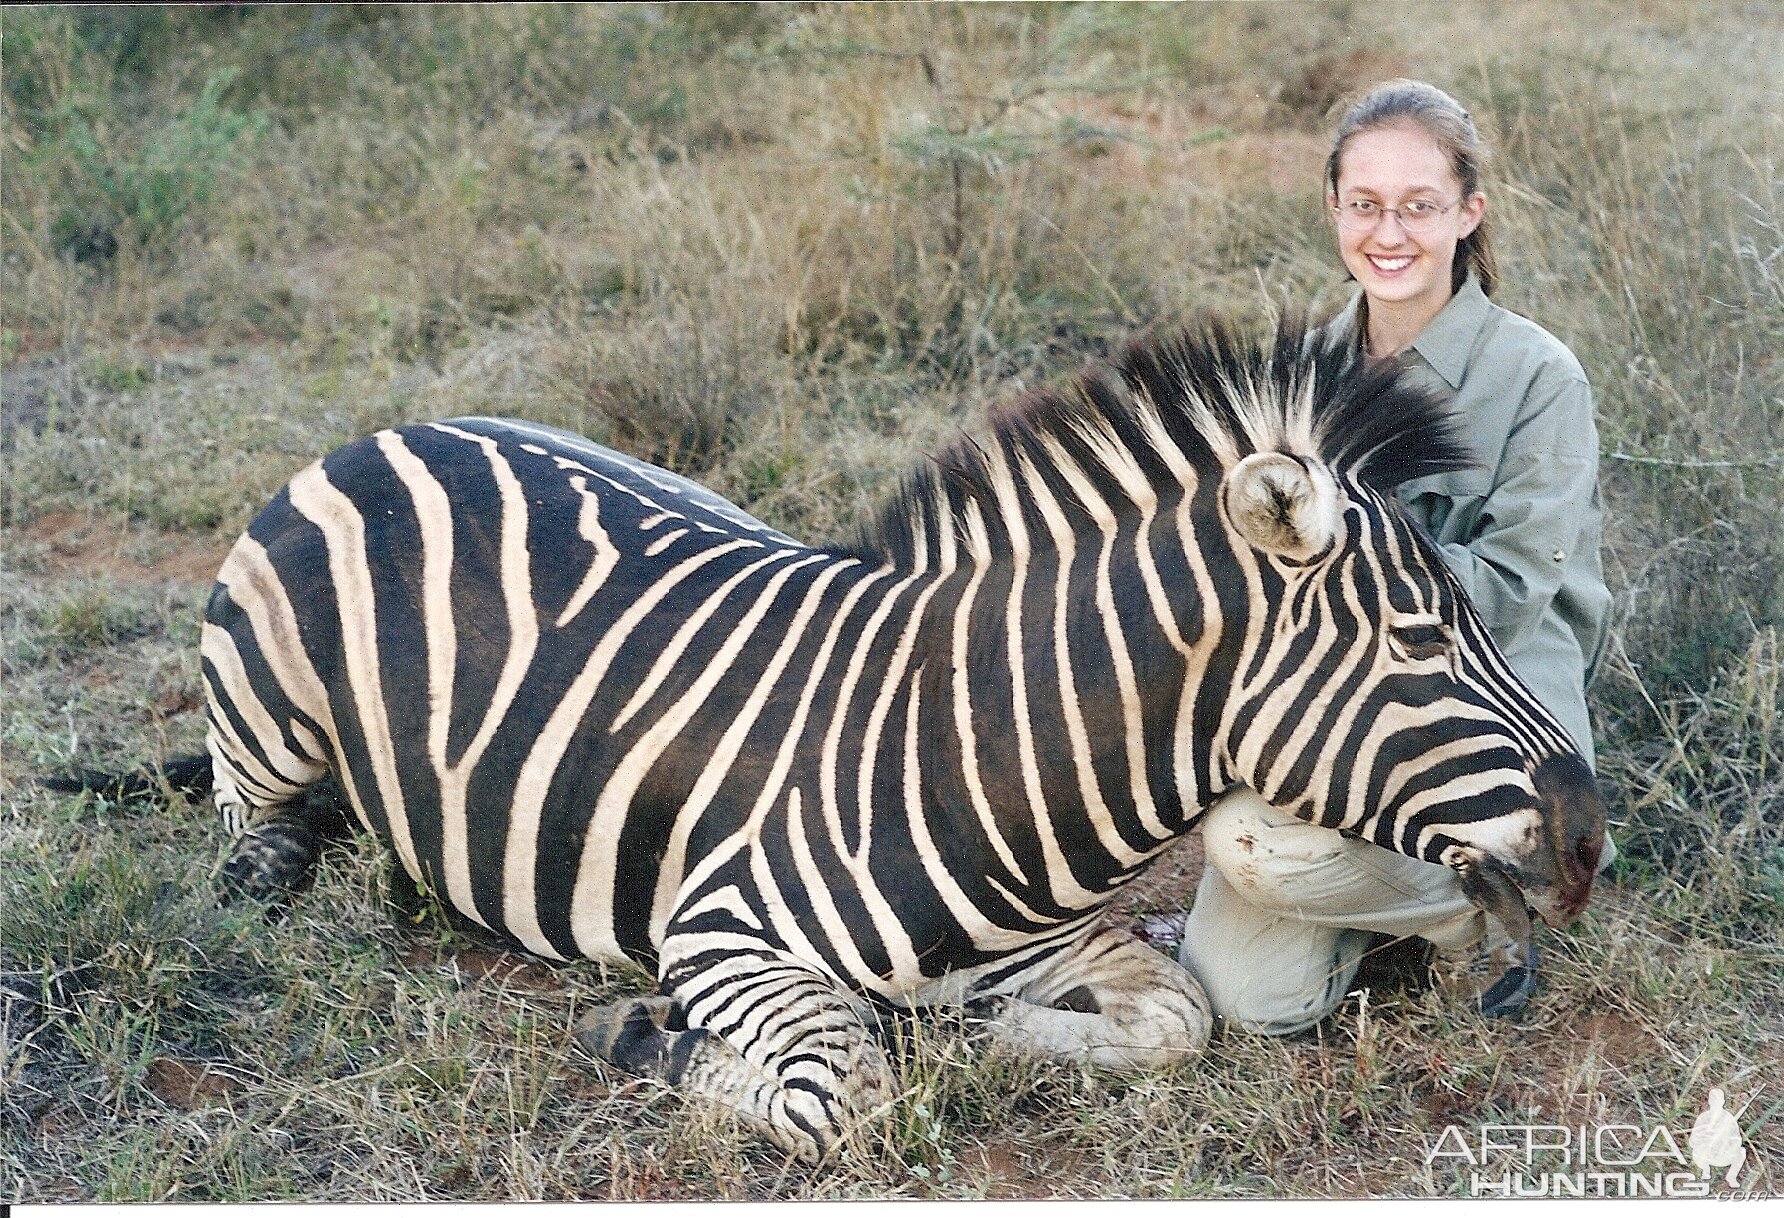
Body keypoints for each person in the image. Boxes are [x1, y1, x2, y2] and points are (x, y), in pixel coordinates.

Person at [1177, 80, 1614, 1033]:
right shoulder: (1299, 371)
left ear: (1469, 212)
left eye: (1420, 205)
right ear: (1334, 207)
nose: (1391, 232)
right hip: (1347, 716)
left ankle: (1508, 878)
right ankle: (1429, 910)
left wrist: (1350, 570)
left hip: (1483, 725)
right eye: (1365, 204)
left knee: (1251, 845)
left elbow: (1507, 589)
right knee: (1250, 1000)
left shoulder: (1539, 376)